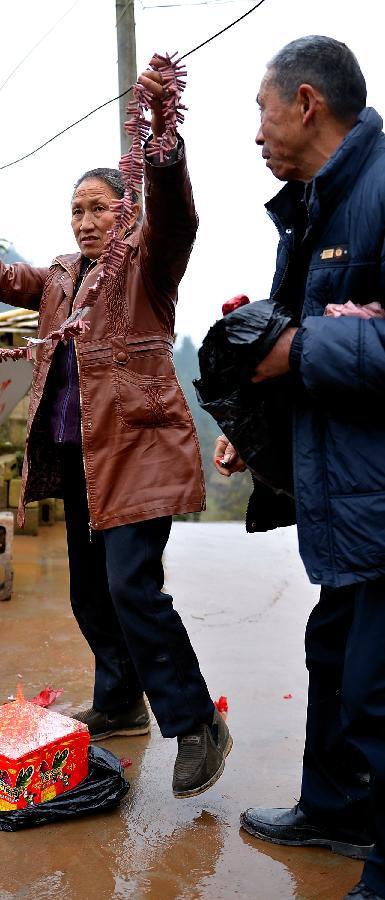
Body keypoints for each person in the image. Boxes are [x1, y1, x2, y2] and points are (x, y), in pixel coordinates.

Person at [0, 59, 231, 799]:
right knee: (90, 594)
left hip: (137, 455)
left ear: (125, 214)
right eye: (75, 209)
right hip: (79, 462)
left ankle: (197, 721)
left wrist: (163, 153)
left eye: (98, 208)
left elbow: (177, 217)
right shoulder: (55, 277)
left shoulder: (148, 265)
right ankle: (117, 702)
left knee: (132, 589)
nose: (84, 221)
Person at [213, 35, 385, 900]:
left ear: (306, 103)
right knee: (331, 653)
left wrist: (300, 348)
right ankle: (333, 810)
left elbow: (308, 340)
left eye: (260, 109)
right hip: (345, 486)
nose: (256, 131)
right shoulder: (314, 206)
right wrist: (254, 420)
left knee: (377, 686)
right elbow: (290, 331)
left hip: (380, 489)